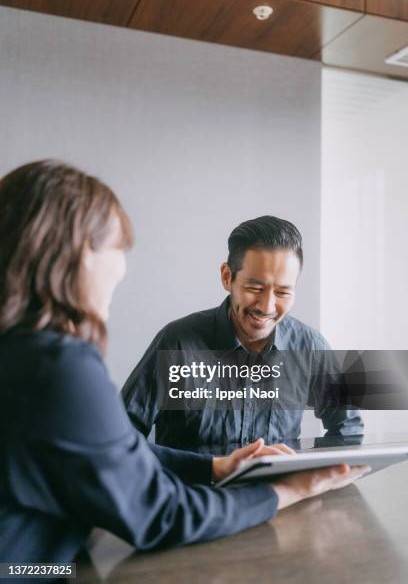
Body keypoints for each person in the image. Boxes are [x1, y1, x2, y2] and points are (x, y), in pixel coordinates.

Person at [0, 161, 367, 566]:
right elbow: (153, 500)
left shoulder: (23, 352)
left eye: (283, 291)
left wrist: (217, 467)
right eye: (116, 248)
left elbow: (108, 450)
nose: (122, 267)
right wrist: (291, 489)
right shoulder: (69, 365)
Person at [123, 216, 363, 454]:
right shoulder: (176, 343)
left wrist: (308, 473)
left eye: (282, 292)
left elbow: (348, 432)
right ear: (227, 277)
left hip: (280, 492)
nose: (267, 306)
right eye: (254, 288)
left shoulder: (310, 347)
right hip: (196, 491)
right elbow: (122, 437)